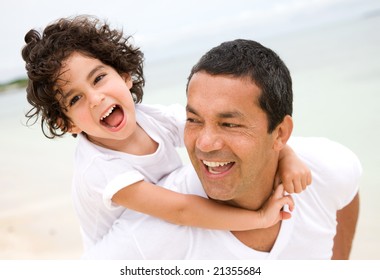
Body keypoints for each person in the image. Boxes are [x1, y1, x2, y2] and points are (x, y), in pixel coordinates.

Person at [21, 16, 311, 253]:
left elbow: (208, 133)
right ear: (68, 123)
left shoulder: (151, 118)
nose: (95, 98)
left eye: (99, 78)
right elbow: (181, 211)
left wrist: (286, 154)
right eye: (75, 100)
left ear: (124, 75)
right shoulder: (99, 170)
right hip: (124, 254)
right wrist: (258, 219)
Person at [80, 39, 361, 260]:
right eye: (194, 120)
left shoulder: (325, 167)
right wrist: (260, 219)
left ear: (280, 133)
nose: (204, 143)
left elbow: (347, 190)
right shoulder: (148, 237)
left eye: (229, 124)